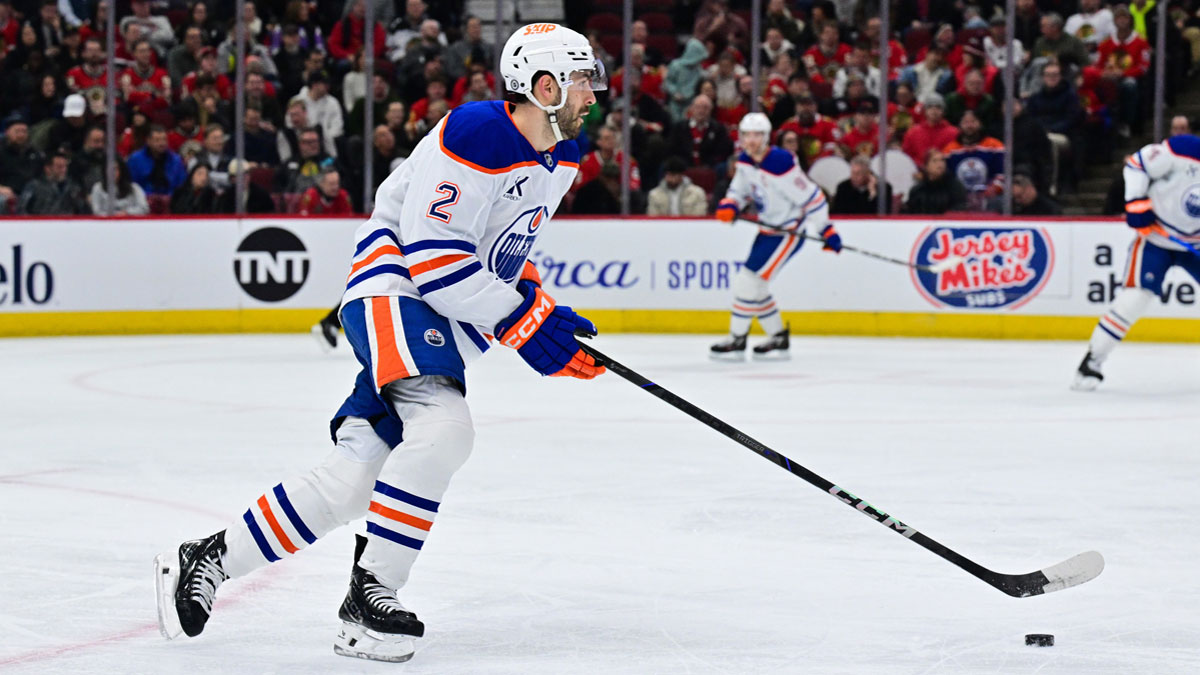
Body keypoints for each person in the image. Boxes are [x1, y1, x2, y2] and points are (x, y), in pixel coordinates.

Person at [155, 23, 606, 664]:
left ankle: (210, 559)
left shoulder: (562, 157)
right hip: (399, 292)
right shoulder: (475, 135)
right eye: (583, 77)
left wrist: (547, 320)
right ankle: (372, 594)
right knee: (444, 430)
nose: (594, 90)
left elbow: (507, 253)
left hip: (451, 320)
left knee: (351, 479)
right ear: (544, 85)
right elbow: (435, 257)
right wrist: (524, 326)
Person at [710, 113, 841, 360]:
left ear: (767, 137)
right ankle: (778, 336)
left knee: (747, 282)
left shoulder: (782, 163)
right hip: (767, 230)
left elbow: (813, 197)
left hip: (788, 232)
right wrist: (731, 204)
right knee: (756, 286)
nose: (752, 140)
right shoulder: (746, 162)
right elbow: (738, 190)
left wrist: (826, 229)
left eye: (757, 135)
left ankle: (737, 338)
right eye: (747, 134)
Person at [1073, 135, 1200, 390]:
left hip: (1195, 244)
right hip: (1156, 239)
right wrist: (1136, 202)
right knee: (1134, 300)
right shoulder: (1183, 148)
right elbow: (1136, 164)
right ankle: (1092, 362)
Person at [18, 152, 88, 214]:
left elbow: (83, 209)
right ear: (47, 168)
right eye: (59, 167)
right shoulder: (34, 186)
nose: (64, 170)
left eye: (65, 167)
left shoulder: (73, 187)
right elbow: (21, 209)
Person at [128, 125, 187, 196]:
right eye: (157, 140)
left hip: (171, 200)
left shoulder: (175, 160)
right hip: (143, 200)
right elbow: (132, 185)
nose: (162, 143)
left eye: (164, 139)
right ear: (148, 141)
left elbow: (181, 185)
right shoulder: (135, 159)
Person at [904, 149, 968, 214]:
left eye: (942, 160)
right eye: (935, 161)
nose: (940, 164)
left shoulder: (955, 186)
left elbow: (960, 208)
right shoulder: (917, 190)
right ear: (925, 166)